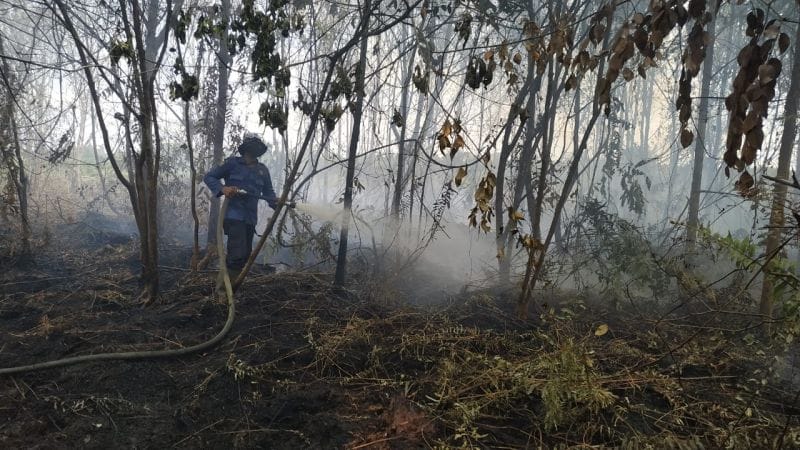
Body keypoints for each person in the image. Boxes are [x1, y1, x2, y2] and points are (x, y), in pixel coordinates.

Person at [204, 134, 280, 297]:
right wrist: (223, 189)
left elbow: (268, 193)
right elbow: (209, 177)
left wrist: (276, 202)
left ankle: (229, 289)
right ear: (245, 149)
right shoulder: (232, 164)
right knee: (237, 254)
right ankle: (223, 294)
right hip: (233, 215)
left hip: (250, 219)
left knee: (244, 256)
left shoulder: (262, 171)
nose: (255, 150)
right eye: (252, 147)